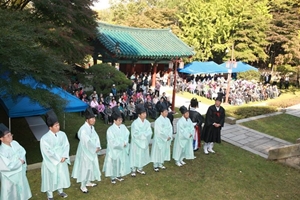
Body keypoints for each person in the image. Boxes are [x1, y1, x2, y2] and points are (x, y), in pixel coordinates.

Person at [40, 110, 70, 200]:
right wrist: (58, 158)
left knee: (60, 175)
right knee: (50, 176)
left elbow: (66, 145)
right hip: (51, 161)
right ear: (50, 127)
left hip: (62, 158)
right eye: (56, 126)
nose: (58, 127)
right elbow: (47, 151)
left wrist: (64, 156)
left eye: (58, 125)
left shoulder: (62, 134)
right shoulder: (44, 138)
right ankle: (50, 195)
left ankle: (60, 190)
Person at [72, 107, 101, 193]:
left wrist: (98, 146)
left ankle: (88, 182)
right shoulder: (83, 129)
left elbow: (96, 137)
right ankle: (82, 185)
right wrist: (94, 148)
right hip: (85, 152)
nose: (94, 120)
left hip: (92, 151)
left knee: (90, 167)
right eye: (92, 118)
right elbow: (86, 142)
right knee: (85, 167)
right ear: (87, 119)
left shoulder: (92, 128)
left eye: (94, 118)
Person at [0, 124, 32, 200]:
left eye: (10, 134)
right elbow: (6, 166)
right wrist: (19, 162)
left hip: (19, 172)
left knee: (21, 189)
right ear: (1, 138)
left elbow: (22, 151)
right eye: (7, 136)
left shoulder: (15, 143)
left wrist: (22, 160)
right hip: (9, 176)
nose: (10, 137)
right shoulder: (1, 151)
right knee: (11, 192)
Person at [103, 107, 131, 184]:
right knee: (113, 162)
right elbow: (111, 141)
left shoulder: (123, 127)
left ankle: (118, 174)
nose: (120, 121)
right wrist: (121, 144)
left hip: (122, 148)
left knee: (120, 162)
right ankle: (113, 177)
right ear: (114, 120)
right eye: (119, 120)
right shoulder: (110, 130)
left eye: (121, 120)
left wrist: (125, 142)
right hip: (114, 149)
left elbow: (127, 134)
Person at [129, 104, 152, 177]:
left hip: (144, 141)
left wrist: (144, 135)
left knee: (142, 155)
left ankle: (140, 168)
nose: (145, 115)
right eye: (143, 113)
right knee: (135, 155)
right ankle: (133, 169)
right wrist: (143, 135)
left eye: (145, 113)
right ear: (139, 115)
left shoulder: (147, 122)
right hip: (136, 143)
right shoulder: (135, 124)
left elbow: (150, 132)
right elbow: (135, 134)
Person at [151, 103, 173, 172]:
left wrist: (169, 135)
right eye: (165, 112)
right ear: (161, 113)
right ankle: (155, 165)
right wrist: (166, 137)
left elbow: (170, 128)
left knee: (163, 151)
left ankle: (161, 163)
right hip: (159, 138)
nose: (166, 113)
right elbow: (158, 131)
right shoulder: (158, 121)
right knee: (157, 151)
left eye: (167, 112)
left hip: (166, 138)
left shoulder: (167, 120)